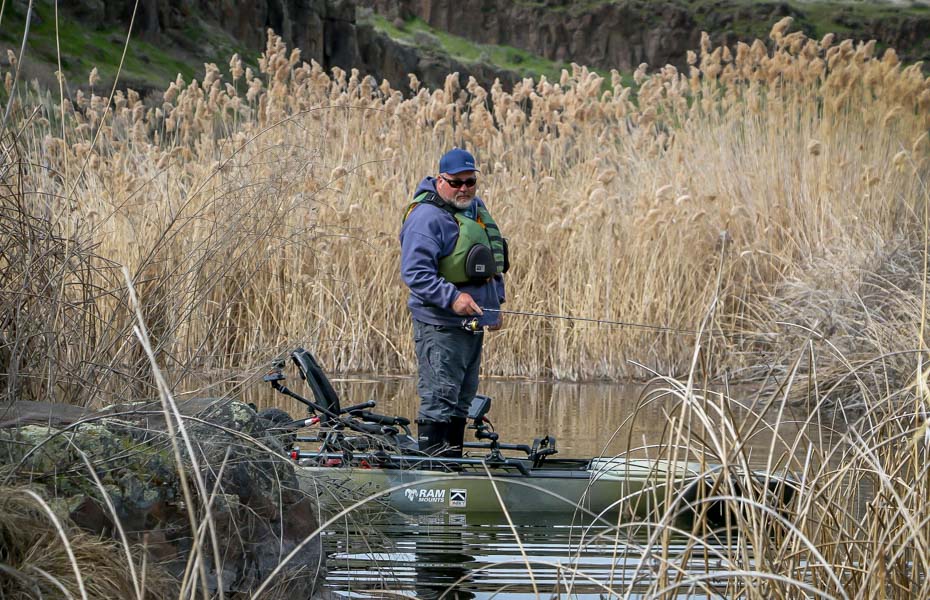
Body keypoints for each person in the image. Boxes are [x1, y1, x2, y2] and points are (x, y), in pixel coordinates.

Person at [399, 148, 508, 458]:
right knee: (440, 398)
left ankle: (452, 466)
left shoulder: (475, 209)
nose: (464, 189)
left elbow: (492, 261)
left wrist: (495, 304)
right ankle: (435, 473)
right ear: (440, 180)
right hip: (439, 326)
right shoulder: (426, 217)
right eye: (456, 182)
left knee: (462, 399)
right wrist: (453, 298)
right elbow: (416, 273)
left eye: (470, 182)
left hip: (472, 324)